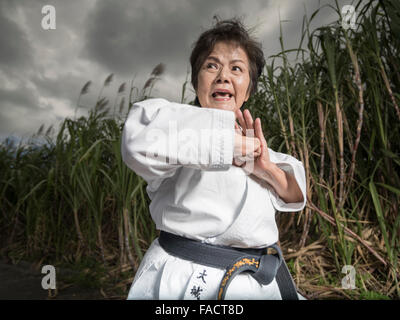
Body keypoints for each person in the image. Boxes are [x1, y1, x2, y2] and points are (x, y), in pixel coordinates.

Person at [122, 18, 307, 300]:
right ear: (197, 82)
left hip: (258, 285)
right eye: (211, 65)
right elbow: (137, 139)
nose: (223, 76)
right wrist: (225, 143)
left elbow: (294, 192)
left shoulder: (266, 153)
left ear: (249, 88)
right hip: (184, 282)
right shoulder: (178, 139)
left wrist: (265, 168)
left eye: (236, 68)